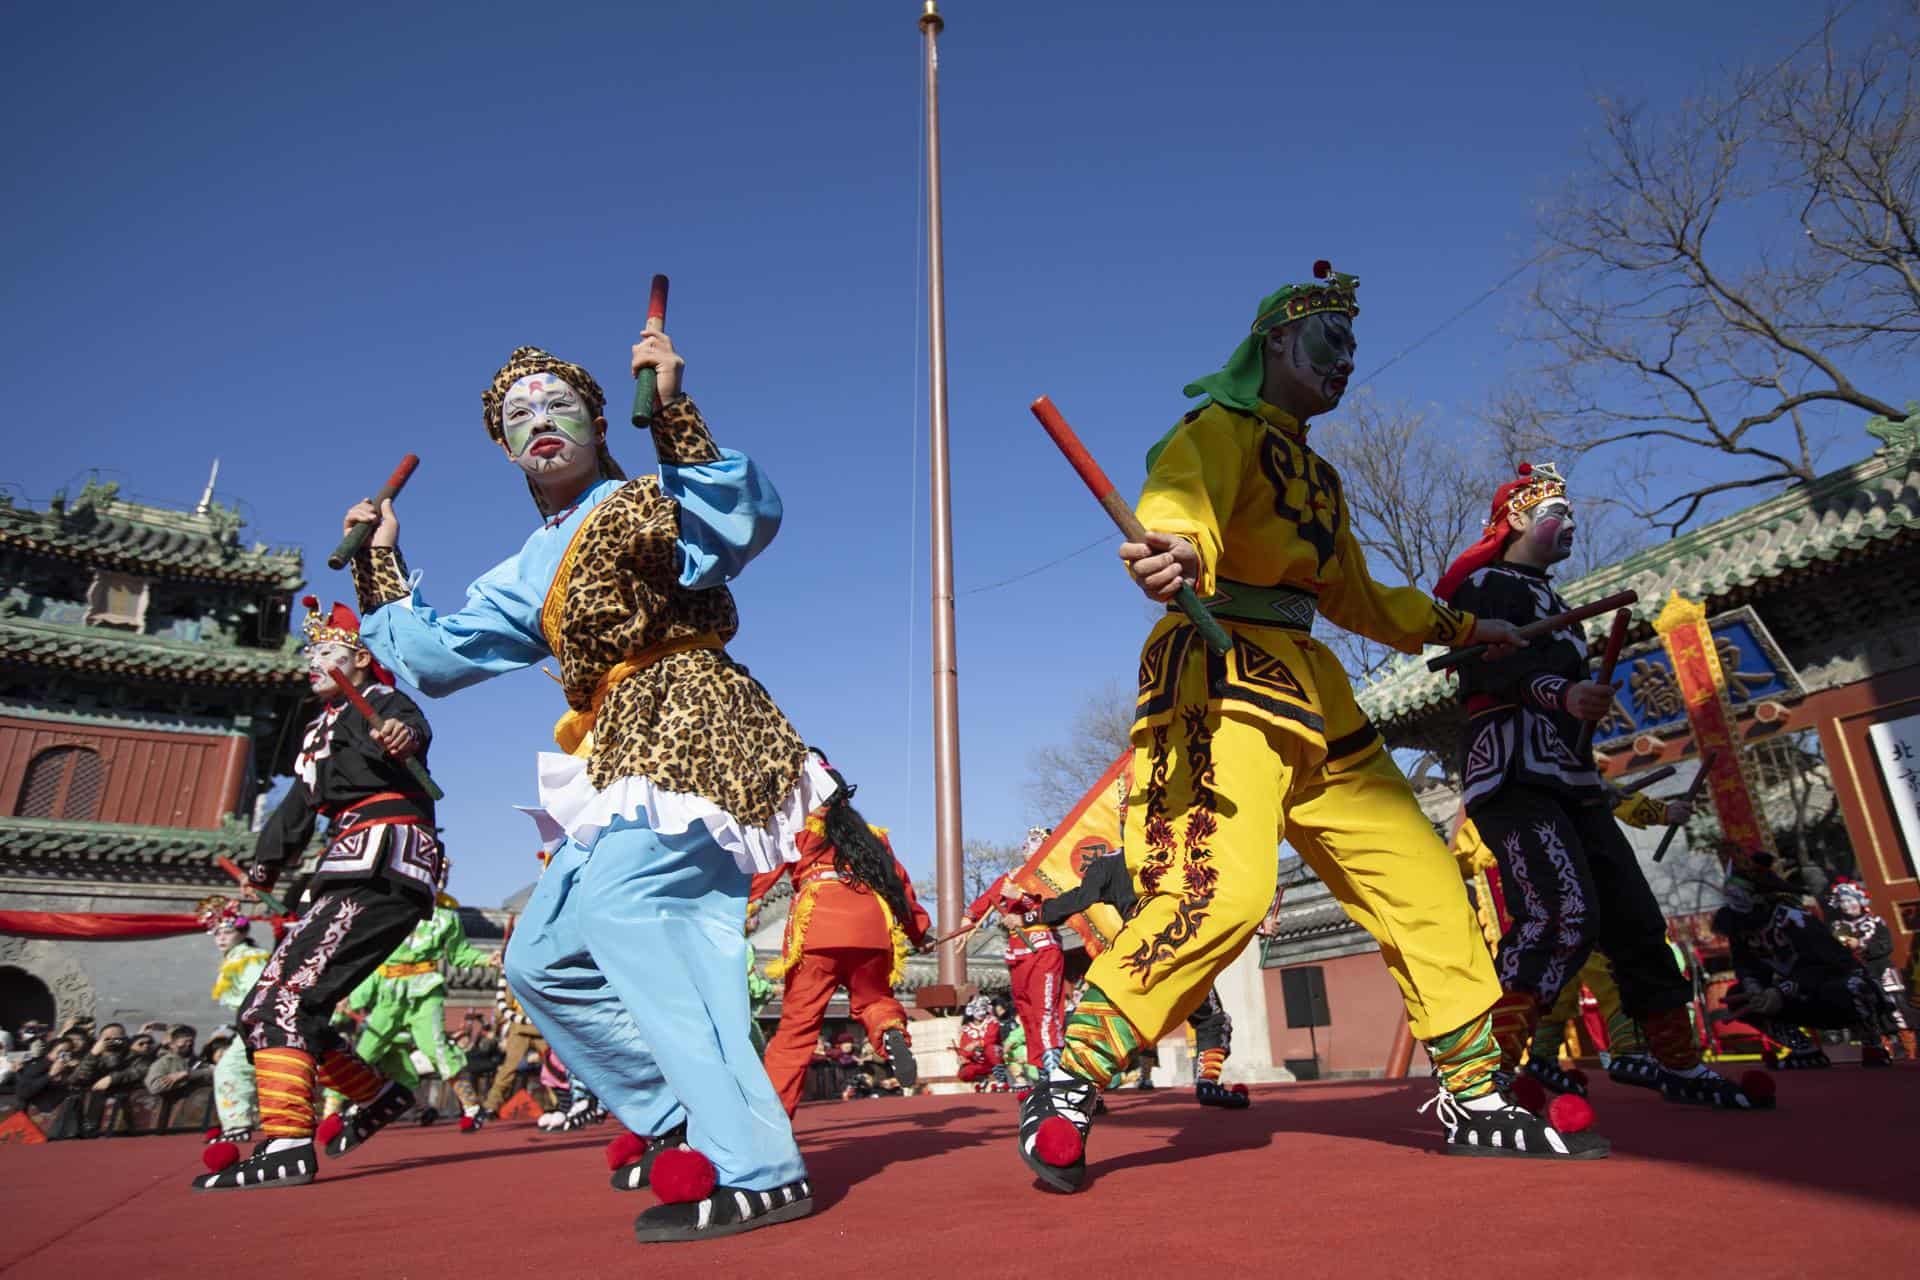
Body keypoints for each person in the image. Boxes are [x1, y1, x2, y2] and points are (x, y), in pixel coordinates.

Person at [1017, 261, 1587, 1196]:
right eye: (1332, 339)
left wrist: (1468, 627)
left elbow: (1357, 594)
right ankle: (1072, 1075)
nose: (1347, 360)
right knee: (1225, 896)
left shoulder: (1319, 476)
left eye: (1355, 345)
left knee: (1423, 879)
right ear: (1277, 340)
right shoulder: (1218, 430)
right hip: (1219, 671)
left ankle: (1477, 1091)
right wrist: (1178, 550)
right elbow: (1180, 502)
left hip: (1311, 688)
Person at [345, 333, 823, 1242]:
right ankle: (681, 1115)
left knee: (637, 912)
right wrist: (380, 561)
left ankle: (754, 1162)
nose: (538, 422)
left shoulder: (648, 497)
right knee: (541, 960)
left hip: (691, 713)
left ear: (602, 423)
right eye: (517, 416)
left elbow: (737, 522)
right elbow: (437, 659)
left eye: (555, 404)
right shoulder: (533, 561)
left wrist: (673, 408)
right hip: (610, 750)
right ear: (505, 450)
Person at [1436, 463, 1766, 1111]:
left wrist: (1571, 704)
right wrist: (1560, 692)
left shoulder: (1559, 605)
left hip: (1569, 773)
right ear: (1518, 520)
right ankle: (1485, 1075)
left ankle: (1679, 1061)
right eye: (1557, 510)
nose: (1572, 521)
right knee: (1559, 911)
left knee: (1636, 920)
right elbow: (1485, 668)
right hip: (1512, 767)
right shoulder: (1485, 585)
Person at [193, 597, 444, 1192]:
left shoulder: (384, 702)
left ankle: (285, 1141)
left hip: (380, 862)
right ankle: (377, 1094)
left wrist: (400, 738)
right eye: (311, 654)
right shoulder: (318, 731)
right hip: (345, 864)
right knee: (270, 1004)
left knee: (279, 1003)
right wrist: (265, 867)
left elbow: (413, 734)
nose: (313, 662)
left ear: (359, 659)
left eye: (325, 652)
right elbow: (298, 807)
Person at [749, 756, 930, 1116]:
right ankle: (890, 1031)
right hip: (872, 927)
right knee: (875, 1000)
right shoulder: (872, 837)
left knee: (796, 1032)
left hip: (819, 928)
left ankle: (770, 1125)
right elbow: (900, 886)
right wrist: (918, 933)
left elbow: (761, 875)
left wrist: (739, 907)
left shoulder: (800, 829)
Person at [1038, 847, 1248, 1109]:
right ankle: (1208, 1082)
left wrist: (1039, 913)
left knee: (1118, 1022)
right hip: (1179, 940)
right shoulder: (1173, 848)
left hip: (1137, 953)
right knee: (1211, 1019)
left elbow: (1083, 897)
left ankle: (1088, 1088)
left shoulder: (1107, 863)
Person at [339, 893, 496, 1131]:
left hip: (425, 989)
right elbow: (370, 957)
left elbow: (460, 953)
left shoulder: (445, 918)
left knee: (436, 1047)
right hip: (389, 994)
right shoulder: (384, 910)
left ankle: (472, 1108)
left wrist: (487, 960)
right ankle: (333, 1114)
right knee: (363, 1054)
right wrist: (350, 997)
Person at [1716, 861, 1891, 1067]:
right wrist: (1754, 988)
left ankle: (1871, 1041)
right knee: (1740, 998)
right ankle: (1803, 1048)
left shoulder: (1794, 918)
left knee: (1857, 985)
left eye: (1738, 894)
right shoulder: (1740, 927)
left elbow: (1827, 964)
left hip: (1832, 990)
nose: (1734, 901)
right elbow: (1745, 965)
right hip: (1796, 997)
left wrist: (1781, 990)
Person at [960, 831, 1066, 1076]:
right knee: (1026, 1012)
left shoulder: (1051, 874)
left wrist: (1022, 899)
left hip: (1042, 946)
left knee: (1045, 1010)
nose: (1026, 844)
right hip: (1017, 951)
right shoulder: (1012, 875)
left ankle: (1055, 1069)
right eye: (1027, 839)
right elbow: (988, 899)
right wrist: (968, 920)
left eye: (1035, 840)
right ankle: (1040, 1069)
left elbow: (1057, 907)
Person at [196, 896, 269, 1140]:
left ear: (241, 931)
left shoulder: (248, 956)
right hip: (252, 1022)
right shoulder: (236, 957)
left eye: (226, 932)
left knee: (231, 1068)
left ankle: (237, 1125)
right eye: (217, 934)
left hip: (260, 1020)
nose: (221, 938)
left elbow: (257, 992)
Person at [1826, 879, 1917, 1059]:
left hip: (1882, 971)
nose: (1847, 905)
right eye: (1843, 901)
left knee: (1896, 1008)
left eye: (1851, 900)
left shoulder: (1875, 922)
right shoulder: (1837, 927)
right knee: (1869, 1010)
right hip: (1858, 974)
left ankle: (1911, 1052)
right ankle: (1882, 1050)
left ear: (1860, 901)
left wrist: (1861, 944)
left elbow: (1886, 945)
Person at [145, 1025, 210, 1129]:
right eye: (184, 1041)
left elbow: (215, 1072)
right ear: (171, 1044)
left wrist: (188, 1074)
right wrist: (178, 1081)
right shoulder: (163, 1063)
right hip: (170, 1118)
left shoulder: (200, 1062)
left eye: (190, 1040)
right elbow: (154, 1086)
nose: (189, 1044)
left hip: (198, 1117)